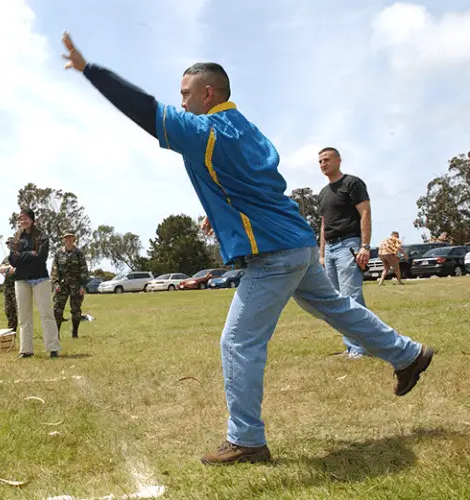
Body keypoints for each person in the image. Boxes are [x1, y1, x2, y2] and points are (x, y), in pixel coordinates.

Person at [60, 31, 433, 464]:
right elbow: (259, 181)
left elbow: (145, 110)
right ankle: (408, 354)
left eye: (185, 94)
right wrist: (221, 210)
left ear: (208, 93)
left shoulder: (206, 130)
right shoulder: (248, 129)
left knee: (238, 342)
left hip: (273, 254)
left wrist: (92, 71)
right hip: (295, 243)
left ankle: (247, 440)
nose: (180, 102)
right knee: (337, 308)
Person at [318, 147, 372, 360]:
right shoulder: (323, 193)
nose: (323, 164)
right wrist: (322, 254)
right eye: (320, 161)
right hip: (330, 249)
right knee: (338, 302)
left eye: (327, 159)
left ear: (338, 160)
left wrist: (365, 246)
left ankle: (360, 348)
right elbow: (323, 224)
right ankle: (353, 346)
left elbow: (365, 213)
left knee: (352, 298)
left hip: (348, 245)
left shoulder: (352, 183)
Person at [8, 208, 61, 358]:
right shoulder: (15, 240)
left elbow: (42, 257)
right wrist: (31, 253)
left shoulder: (42, 237)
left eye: (25, 218)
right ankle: (26, 350)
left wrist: (22, 256)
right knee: (24, 316)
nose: (22, 221)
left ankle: (53, 348)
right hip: (21, 280)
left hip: (40, 279)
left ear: (32, 219)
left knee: (46, 314)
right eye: (20, 219)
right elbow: (12, 260)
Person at [51, 229, 90, 339]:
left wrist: (83, 286)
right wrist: (56, 284)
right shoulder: (58, 253)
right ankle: (56, 334)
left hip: (76, 285)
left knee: (76, 310)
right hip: (61, 286)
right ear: (63, 239)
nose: (68, 239)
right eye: (66, 237)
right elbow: (54, 270)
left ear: (74, 239)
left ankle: (75, 333)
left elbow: (84, 270)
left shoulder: (78, 253)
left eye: (70, 237)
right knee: (57, 310)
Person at [0, 238, 18, 332]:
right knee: (8, 311)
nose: (10, 246)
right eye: (8, 244)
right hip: (8, 289)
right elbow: (0, 269)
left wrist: (8, 269)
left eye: (11, 244)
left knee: (20, 312)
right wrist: (9, 267)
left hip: (17, 288)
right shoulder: (7, 258)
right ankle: (12, 333)